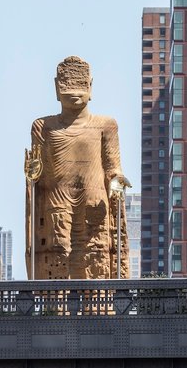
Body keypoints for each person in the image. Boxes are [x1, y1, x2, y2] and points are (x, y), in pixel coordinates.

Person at [25, 56, 131, 280]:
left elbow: (113, 167)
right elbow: (38, 174)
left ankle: (99, 305)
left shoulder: (106, 125)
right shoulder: (43, 127)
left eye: (81, 86)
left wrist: (116, 180)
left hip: (94, 199)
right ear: (56, 87)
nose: (74, 94)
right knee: (57, 251)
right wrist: (32, 174)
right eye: (66, 87)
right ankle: (56, 307)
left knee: (95, 251)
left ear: (90, 87)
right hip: (57, 199)